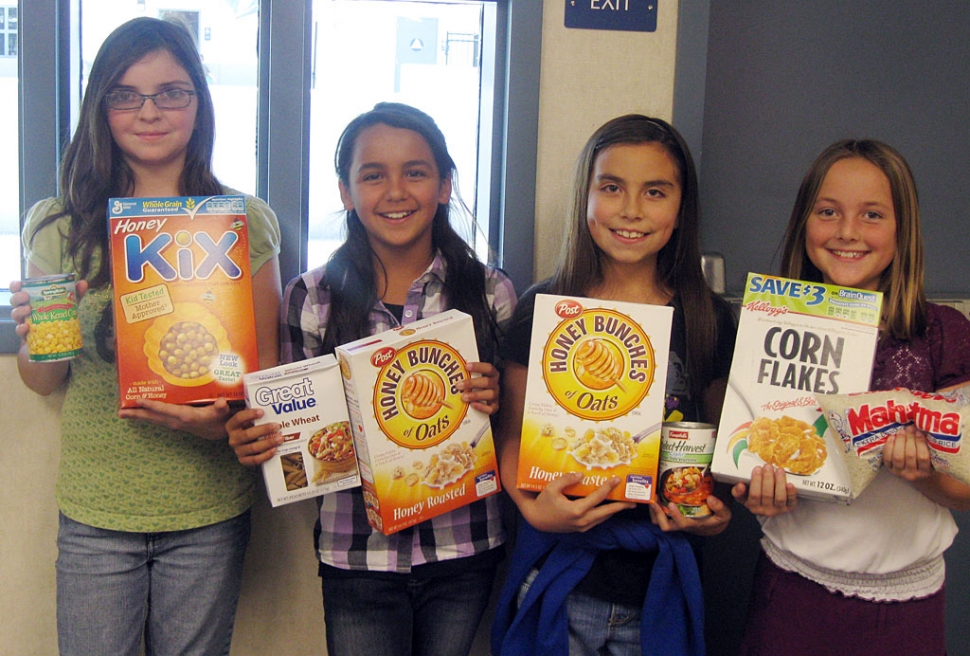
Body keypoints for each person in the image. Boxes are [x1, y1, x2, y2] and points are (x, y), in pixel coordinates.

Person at [8, 17, 281, 656]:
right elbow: (44, 379)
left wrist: (217, 425)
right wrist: (37, 333)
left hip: (208, 505)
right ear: (101, 107)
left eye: (172, 92)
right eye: (126, 94)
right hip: (97, 506)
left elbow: (264, 379)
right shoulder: (58, 225)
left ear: (199, 102)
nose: (149, 111)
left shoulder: (243, 221)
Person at [226, 102, 516, 656]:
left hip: (466, 548)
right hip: (356, 554)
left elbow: (517, 423)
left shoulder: (490, 292)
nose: (396, 191)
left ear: (445, 185)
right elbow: (293, 437)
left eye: (416, 171)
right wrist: (261, 437)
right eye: (373, 174)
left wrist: (495, 398)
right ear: (345, 192)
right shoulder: (310, 297)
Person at [490, 115, 736, 656]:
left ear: (680, 206)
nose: (630, 210)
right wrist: (532, 508)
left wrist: (712, 514)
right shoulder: (541, 309)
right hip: (560, 570)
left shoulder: (707, 319)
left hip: (660, 582)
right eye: (611, 187)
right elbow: (510, 436)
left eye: (654, 191)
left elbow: (725, 450)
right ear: (586, 197)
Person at [732, 139, 970, 656]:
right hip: (789, 595)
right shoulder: (772, 327)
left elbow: (966, 490)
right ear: (804, 223)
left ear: (902, 230)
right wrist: (757, 495)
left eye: (872, 214)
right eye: (828, 212)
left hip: (907, 608)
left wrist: (925, 473)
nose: (847, 232)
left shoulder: (945, 334)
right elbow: (746, 463)